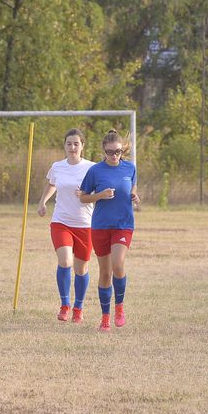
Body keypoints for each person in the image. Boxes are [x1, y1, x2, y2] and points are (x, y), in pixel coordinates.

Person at [78, 130, 139, 332]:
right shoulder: (95, 171)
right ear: (103, 151)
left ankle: (119, 307)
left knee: (118, 263)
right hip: (100, 225)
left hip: (123, 224)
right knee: (105, 273)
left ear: (122, 151)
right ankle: (105, 318)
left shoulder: (130, 168)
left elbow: (133, 189)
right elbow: (83, 197)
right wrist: (100, 195)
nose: (115, 155)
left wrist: (134, 197)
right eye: (110, 152)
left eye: (118, 152)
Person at [37, 128, 96, 323]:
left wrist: (87, 195)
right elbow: (52, 184)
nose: (72, 147)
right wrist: (43, 201)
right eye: (69, 143)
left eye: (76, 144)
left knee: (81, 269)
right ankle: (64, 305)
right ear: (64, 145)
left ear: (82, 146)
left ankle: (78, 307)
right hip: (61, 222)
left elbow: (99, 192)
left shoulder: (92, 168)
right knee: (65, 262)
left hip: (85, 224)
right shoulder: (57, 166)